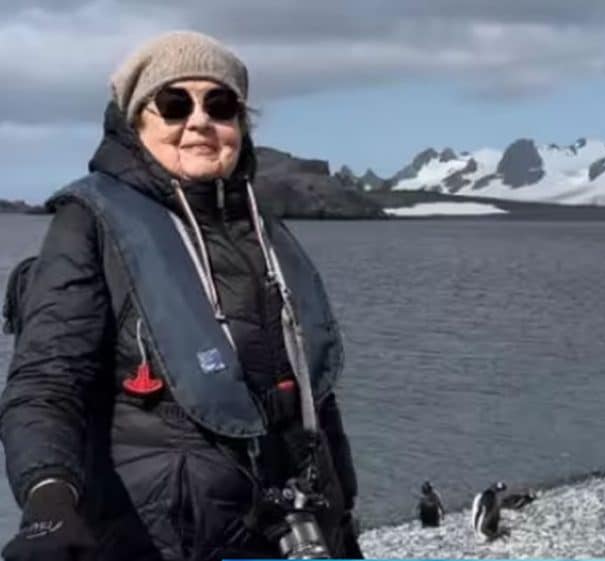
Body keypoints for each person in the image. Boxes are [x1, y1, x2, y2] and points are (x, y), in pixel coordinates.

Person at [0, 30, 363, 560]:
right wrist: (48, 497)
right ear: (136, 123)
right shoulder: (91, 224)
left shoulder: (266, 231)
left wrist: (343, 513)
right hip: (164, 542)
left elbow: (316, 398)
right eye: (173, 103)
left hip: (299, 533)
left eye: (220, 104)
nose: (199, 121)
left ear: (240, 123)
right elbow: (46, 383)